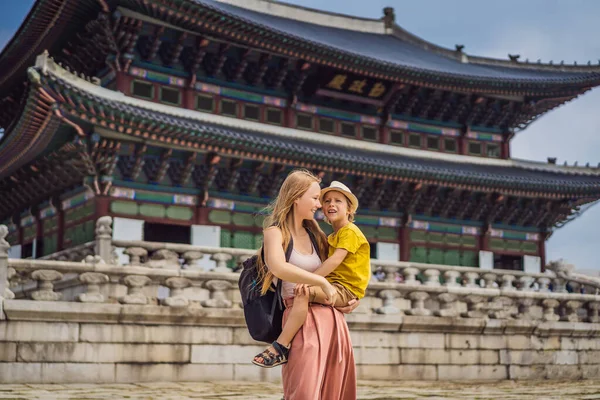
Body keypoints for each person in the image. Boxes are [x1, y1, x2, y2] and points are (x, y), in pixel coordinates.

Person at [252, 169, 358, 400]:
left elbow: (342, 269)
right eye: (315, 198)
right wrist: (318, 280)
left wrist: (352, 298)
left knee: (332, 392)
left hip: (332, 319)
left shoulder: (318, 236)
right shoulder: (275, 233)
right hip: (299, 321)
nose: (319, 205)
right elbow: (278, 267)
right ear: (296, 197)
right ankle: (280, 347)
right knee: (303, 391)